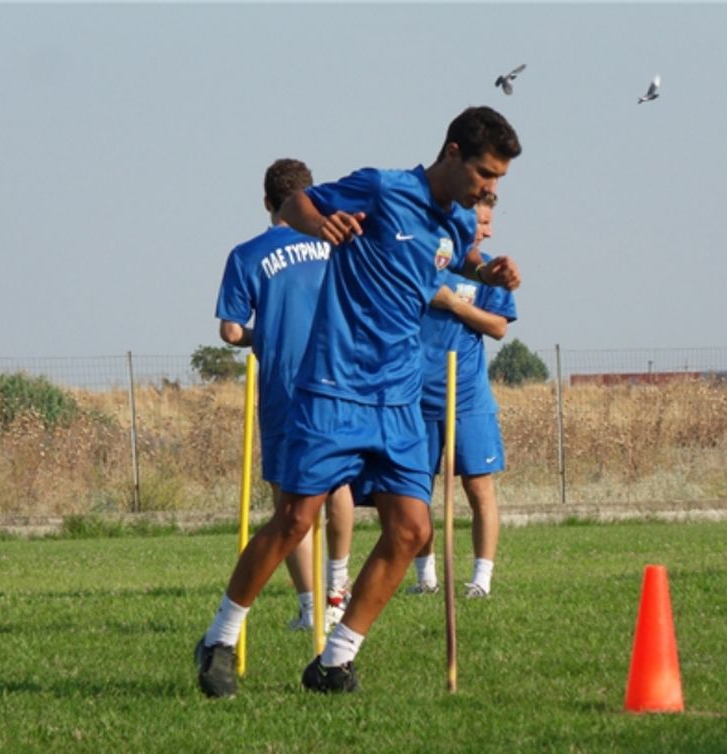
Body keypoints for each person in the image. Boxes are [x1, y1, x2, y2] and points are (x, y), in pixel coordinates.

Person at [195, 106, 522, 697]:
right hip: (335, 386)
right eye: (483, 174)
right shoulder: (382, 187)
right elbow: (298, 205)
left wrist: (490, 274)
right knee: (296, 519)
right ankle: (220, 635)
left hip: (397, 397)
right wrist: (319, 226)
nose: (489, 189)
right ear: (452, 153)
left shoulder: (453, 222)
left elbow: (453, 258)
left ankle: (335, 660)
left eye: (497, 180)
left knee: (411, 530)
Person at [215, 158, 354, 633]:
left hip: (282, 385)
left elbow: (231, 331)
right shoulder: (334, 244)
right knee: (338, 484)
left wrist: (266, 334)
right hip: (338, 377)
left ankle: (312, 605)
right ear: (308, 198)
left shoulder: (246, 254)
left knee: (289, 501)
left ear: (267, 202)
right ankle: (339, 588)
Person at [407, 191, 516, 599]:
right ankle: (426, 578)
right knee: (415, 492)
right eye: (481, 223)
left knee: (478, 487)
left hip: (467, 397)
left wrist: (454, 304)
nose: (487, 231)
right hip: (416, 396)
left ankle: (480, 581)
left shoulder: (491, 271)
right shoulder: (426, 261)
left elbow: (499, 326)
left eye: (489, 223)